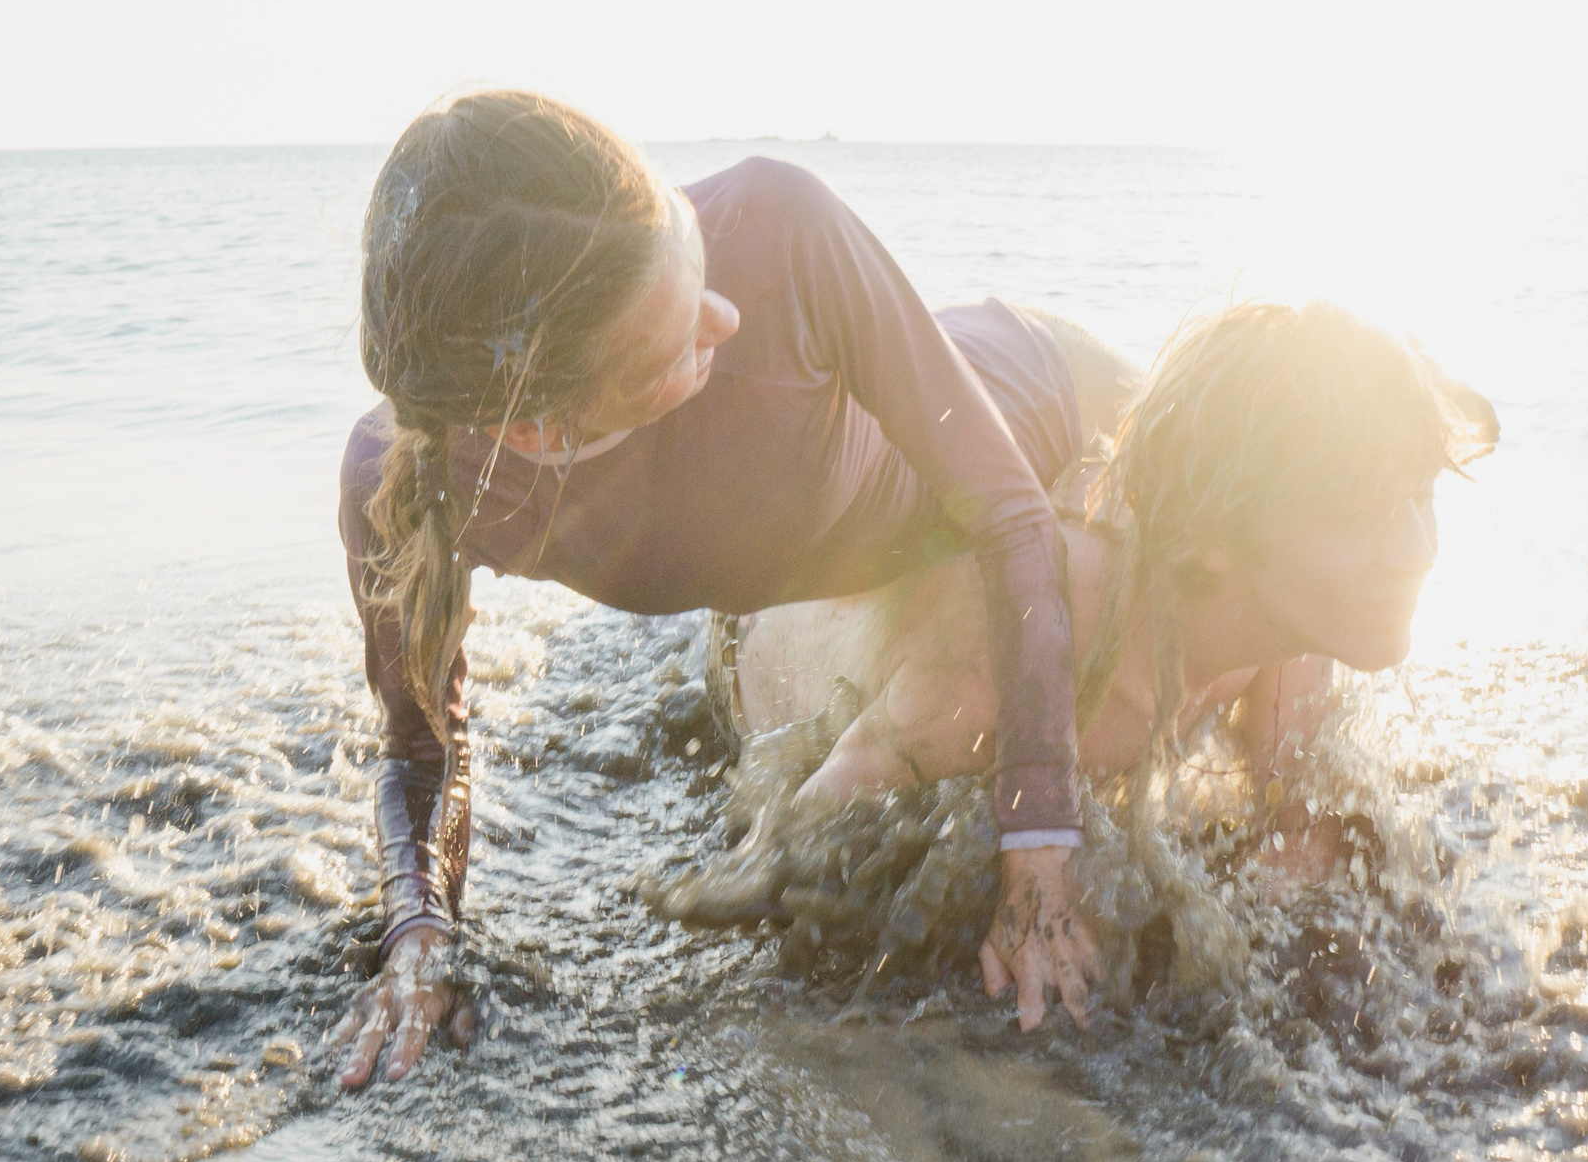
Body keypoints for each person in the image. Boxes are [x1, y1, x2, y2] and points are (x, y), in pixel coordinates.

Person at [327, 92, 1107, 1087]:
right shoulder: (409, 481)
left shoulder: (778, 225)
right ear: (539, 435)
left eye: (688, 247)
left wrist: (1035, 845)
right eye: (675, 344)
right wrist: (419, 935)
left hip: (1040, 394)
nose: (725, 316)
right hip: (838, 536)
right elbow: (418, 746)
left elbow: (1010, 518)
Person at [725, 300, 1495, 891]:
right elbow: (804, 829)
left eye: (1420, 494)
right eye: (1358, 514)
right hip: (794, 573)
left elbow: (1295, 823)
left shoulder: (1294, 626)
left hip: (1083, 407)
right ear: (1213, 539)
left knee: (1194, 444)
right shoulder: (1023, 647)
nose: (1420, 555)